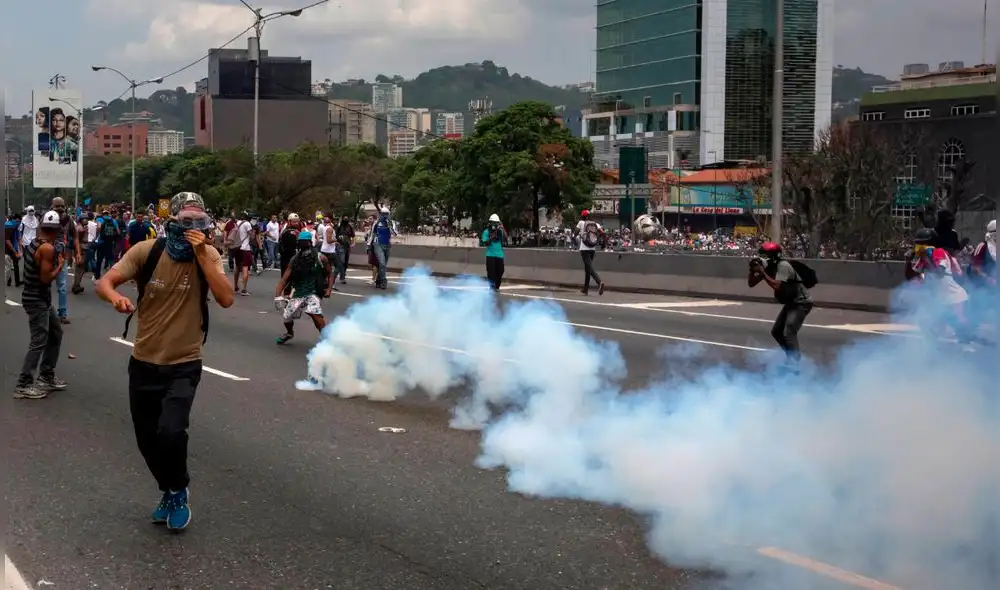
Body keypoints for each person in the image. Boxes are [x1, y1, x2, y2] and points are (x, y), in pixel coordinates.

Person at [96, 192, 234, 532]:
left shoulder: (209, 255)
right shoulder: (148, 251)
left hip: (184, 362)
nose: (193, 228)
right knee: (147, 439)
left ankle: (179, 489)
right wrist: (115, 297)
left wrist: (202, 253)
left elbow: (226, 298)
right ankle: (169, 490)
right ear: (171, 221)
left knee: (171, 431)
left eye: (199, 222)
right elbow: (105, 281)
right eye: (186, 222)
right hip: (144, 360)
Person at [15, 210, 67, 399]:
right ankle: (24, 383)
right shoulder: (47, 249)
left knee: (55, 333)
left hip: (39, 298)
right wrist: (59, 266)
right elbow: (45, 278)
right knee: (38, 341)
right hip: (36, 298)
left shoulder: (35, 242)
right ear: (56, 230)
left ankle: (46, 376)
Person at [748, 241, 814, 363]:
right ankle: (790, 356)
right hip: (791, 302)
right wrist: (752, 271)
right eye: (761, 255)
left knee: (789, 331)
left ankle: (796, 363)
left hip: (802, 302)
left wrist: (762, 273)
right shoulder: (768, 267)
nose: (762, 258)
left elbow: (778, 286)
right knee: (777, 331)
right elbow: (751, 284)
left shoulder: (783, 265)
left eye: (765, 255)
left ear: (774, 256)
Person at [274, 230, 331, 345]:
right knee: (287, 317)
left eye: (304, 242)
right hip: (298, 291)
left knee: (314, 313)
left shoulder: (321, 258)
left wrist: (329, 289)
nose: (302, 244)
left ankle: (328, 338)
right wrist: (277, 296)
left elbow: (330, 273)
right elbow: (285, 278)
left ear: (310, 242)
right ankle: (289, 333)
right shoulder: (295, 259)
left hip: (314, 291)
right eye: (300, 242)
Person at [51, 197, 81, 325]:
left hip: (62, 256)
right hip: (47, 255)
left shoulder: (69, 220)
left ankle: (62, 313)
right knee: (45, 285)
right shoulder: (48, 218)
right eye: (57, 206)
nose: (59, 209)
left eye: (61, 206)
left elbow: (75, 237)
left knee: (62, 287)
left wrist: (78, 253)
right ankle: (46, 312)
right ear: (52, 206)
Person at [575, 209, 606, 295]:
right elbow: (603, 234)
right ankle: (585, 289)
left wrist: (578, 236)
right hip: (592, 248)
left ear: (583, 216)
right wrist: (601, 242)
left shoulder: (581, 223)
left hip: (584, 248)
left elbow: (575, 233)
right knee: (587, 268)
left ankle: (599, 282)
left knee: (589, 267)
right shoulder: (596, 224)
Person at [367, 206, 397, 289]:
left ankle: (378, 280)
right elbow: (372, 234)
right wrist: (369, 245)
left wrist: (389, 225)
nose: (384, 216)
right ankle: (384, 281)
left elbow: (395, 233)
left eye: (386, 214)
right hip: (377, 244)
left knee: (383, 265)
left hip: (387, 244)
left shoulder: (392, 222)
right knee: (382, 263)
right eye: (383, 214)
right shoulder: (376, 223)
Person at [481, 213, 507, 291]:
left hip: (500, 255)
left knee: (500, 271)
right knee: (491, 273)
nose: (494, 224)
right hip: (490, 255)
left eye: (496, 223)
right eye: (493, 222)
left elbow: (505, 237)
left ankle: (497, 286)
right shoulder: (486, 232)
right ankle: (492, 287)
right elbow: (485, 243)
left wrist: (502, 228)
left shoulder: (500, 231)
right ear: (490, 222)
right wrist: (491, 238)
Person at [231, 212, 253, 295]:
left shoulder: (238, 222)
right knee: (245, 267)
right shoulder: (247, 224)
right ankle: (244, 289)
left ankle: (236, 285)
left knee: (237, 266)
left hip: (237, 247)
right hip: (245, 248)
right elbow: (251, 236)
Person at [336, 216, 355, 283]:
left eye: (347, 219)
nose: (345, 220)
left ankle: (343, 273)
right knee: (342, 261)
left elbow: (353, 236)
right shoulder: (339, 227)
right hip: (340, 245)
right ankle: (342, 276)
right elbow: (335, 235)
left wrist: (353, 243)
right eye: (344, 219)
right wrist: (337, 242)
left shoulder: (350, 227)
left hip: (347, 245)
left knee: (346, 261)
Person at [6, 212, 23, 287]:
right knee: (9, 266)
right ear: (17, 220)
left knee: (14, 266)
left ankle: (16, 282)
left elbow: (19, 238)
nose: (20, 223)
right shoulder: (10, 226)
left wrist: (20, 250)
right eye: (19, 221)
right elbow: (7, 240)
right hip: (8, 248)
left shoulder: (15, 226)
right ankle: (10, 282)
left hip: (13, 248)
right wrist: (15, 251)